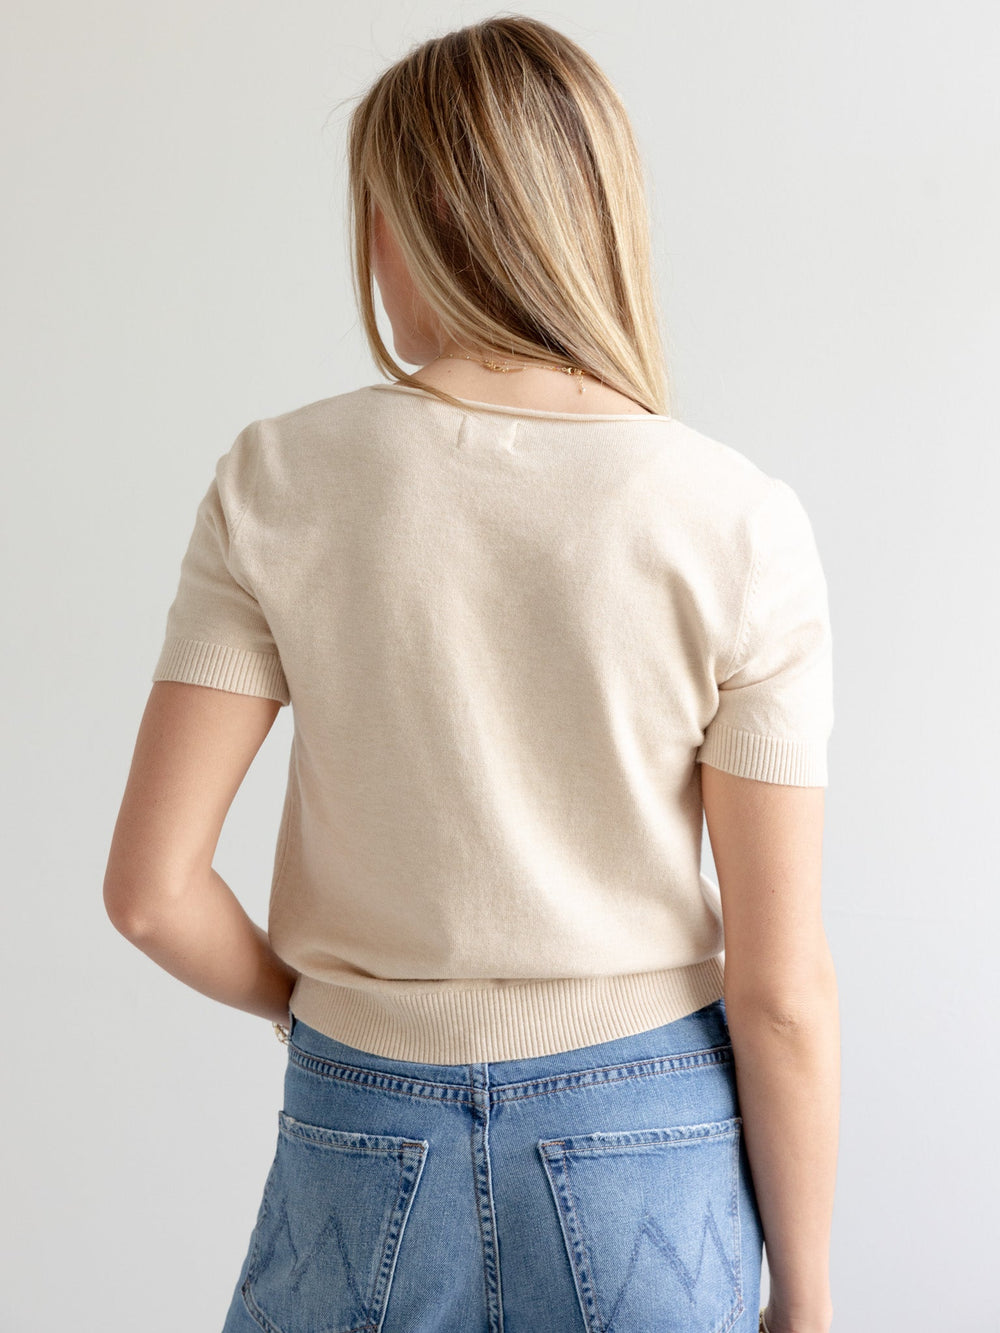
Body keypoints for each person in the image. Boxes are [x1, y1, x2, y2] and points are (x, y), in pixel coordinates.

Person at [103, 16, 839, 1333]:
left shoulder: (278, 478)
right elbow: (780, 994)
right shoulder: (735, 519)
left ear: (425, 217)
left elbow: (153, 894)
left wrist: (321, 1011)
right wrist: (811, 1299)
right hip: (646, 1139)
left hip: (360, 1118)